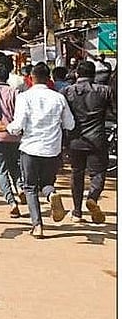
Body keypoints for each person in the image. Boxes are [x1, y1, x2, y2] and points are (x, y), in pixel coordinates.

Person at [0, 63, 74, 238]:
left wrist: (6, 127)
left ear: (31, 77)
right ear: (49, 78)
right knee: (47, 183)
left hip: (30, 148)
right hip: (52, 149)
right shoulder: (58, 98)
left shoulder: (25, 97)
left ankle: (37, 225)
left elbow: (17, 127)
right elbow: (70, 123)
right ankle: (52, 194)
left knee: (30, 187)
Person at [61, 61, 113, 224]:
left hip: (75, 139)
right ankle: (92, 198)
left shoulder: (67, 91)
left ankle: (77, 212)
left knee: (77, 174)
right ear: (94, 75)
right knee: (98, 173)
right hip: (97, 138)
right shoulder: (105, 91)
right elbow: (113, 112)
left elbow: (63, 117)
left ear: (77, 74)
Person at [0, 63, 25, 218]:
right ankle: (20, 187)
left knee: (0, 171)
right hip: (14, 135)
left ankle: (11, 202)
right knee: (14, 167)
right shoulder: (14, 92)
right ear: (7, 76)